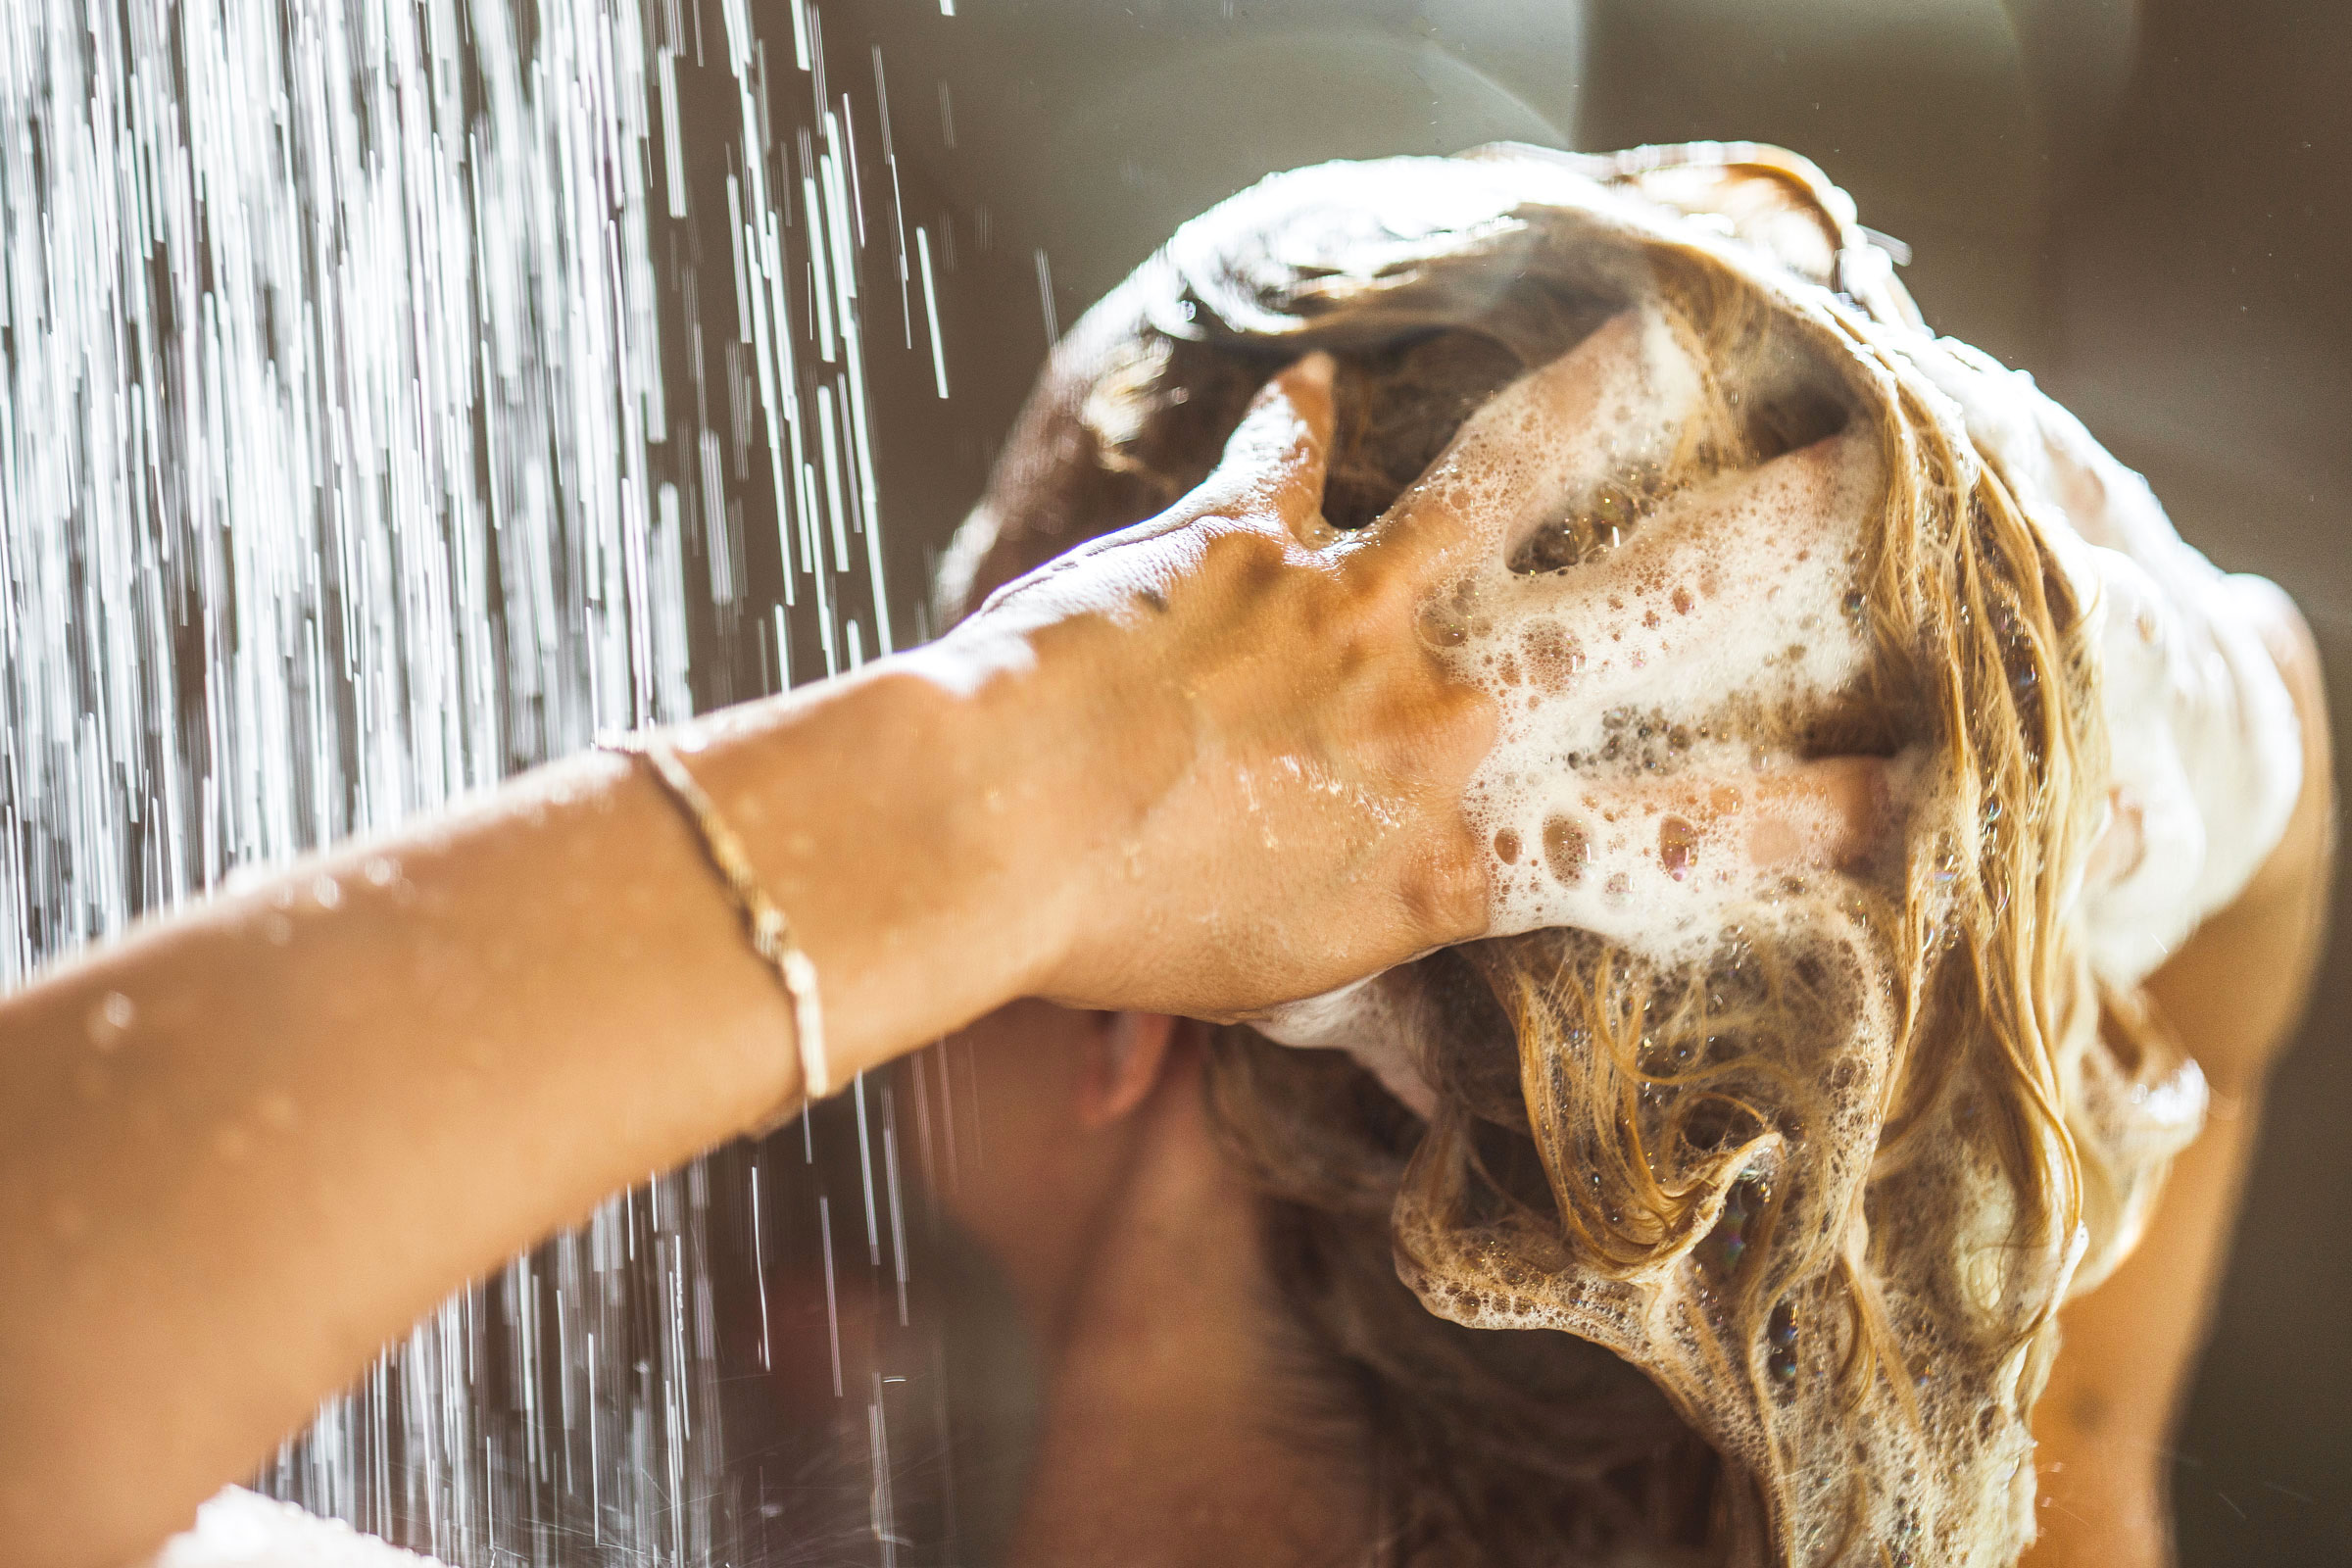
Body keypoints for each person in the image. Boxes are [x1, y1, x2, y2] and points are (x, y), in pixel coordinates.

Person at [0, 149, 2332, 1568]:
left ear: (1133, 974)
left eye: (1006, 653)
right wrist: (2055, 697)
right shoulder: (2019, 1507)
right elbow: (2265, 854)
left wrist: (1029, 764)